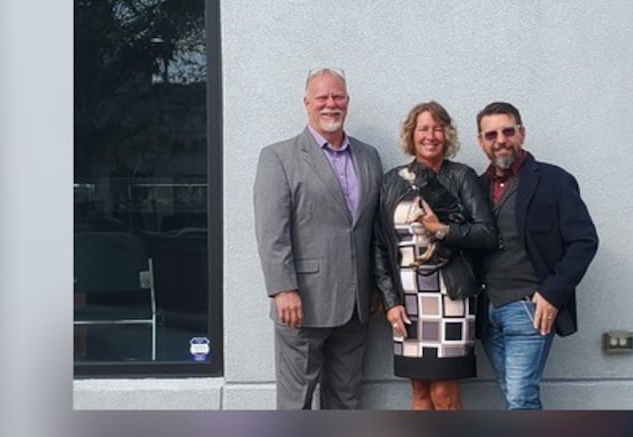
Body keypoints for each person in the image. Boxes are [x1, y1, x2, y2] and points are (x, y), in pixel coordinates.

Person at [253, 67, 383, 409]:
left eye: (337, 96)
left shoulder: (369, 157)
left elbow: (371, 230)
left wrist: (376, 288)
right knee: (296, 403)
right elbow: (271, 231)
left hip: (357, 305)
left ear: (348, 102)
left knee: (346, 400)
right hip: (302, 304)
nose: (330, 104)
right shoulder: (278, 157)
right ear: (307, 103)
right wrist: (283, 289)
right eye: (322, 97)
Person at [473, 101, 598, 410]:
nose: (500, 139)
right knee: (515, 394)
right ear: (481, 142)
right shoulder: (474, 187)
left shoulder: (554, 180)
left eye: (507, 131)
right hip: (487, 312)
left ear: (522, 133)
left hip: (530, 308)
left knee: (520, 398)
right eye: (491, 134)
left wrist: (552, 293)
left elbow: (584, 241)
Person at [372, 101, 498, 410]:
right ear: (411, 134)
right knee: (420, 395)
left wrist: (441, 229)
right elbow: (378, 245)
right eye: (424, 128)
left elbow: (486, 234)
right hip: (408, 299)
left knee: (443, 394)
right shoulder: (392, 181)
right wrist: (391, 302)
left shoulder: (461, 176)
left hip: (451, 296)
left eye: (438, 128)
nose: (431, 135)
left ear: (448, 134)